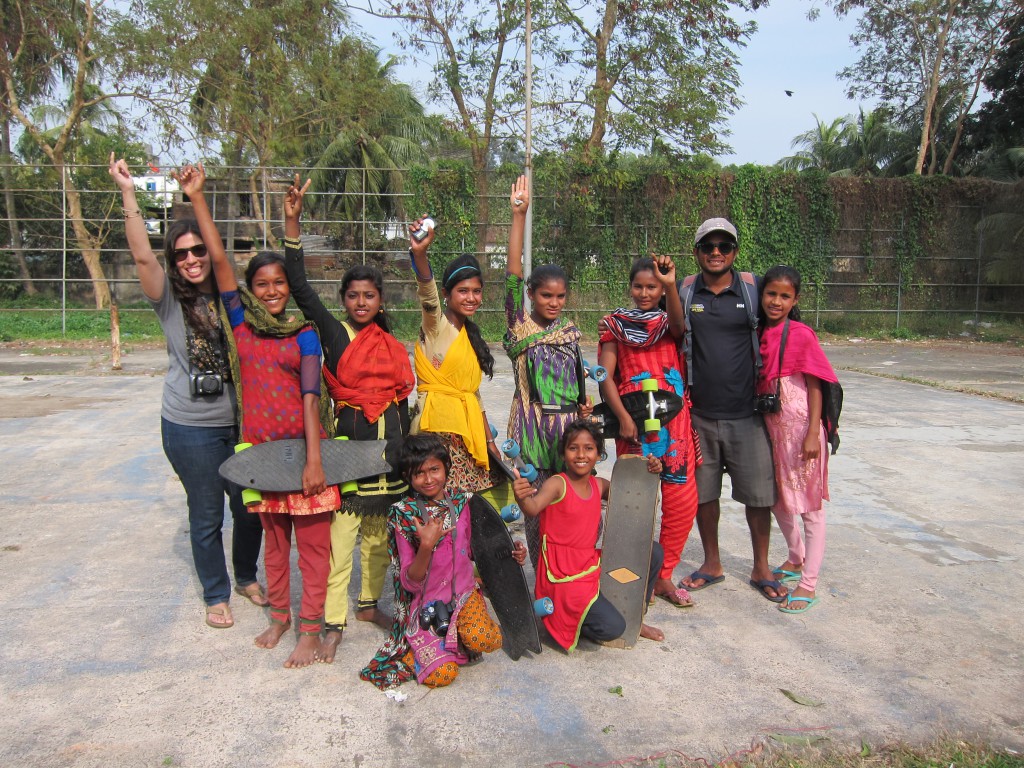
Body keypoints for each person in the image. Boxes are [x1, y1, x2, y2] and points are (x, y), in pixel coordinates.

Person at [177, 163, 339, 668]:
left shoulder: (304, 333)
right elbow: (220, 260)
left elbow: (311, 399)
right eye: (262, 284)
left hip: (303, 454)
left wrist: (315, 461)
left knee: (312, 550)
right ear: (251, 290)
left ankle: (310, 630)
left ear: (289, 287)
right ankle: (279, 617)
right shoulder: (242, 327)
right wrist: (197, 198)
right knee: (273, 545)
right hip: (260, 456)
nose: (272, 291)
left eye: (279, 283)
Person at [108, 154, 266, 631]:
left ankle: (244, 576)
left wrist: (197, 198)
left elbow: (221, 258)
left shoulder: (226, 293)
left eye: (198, 250)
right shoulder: (168, 298)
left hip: (238, 422)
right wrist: (128, 192)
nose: (193, 259)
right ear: (172, 261)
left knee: (249, 510)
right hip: (189, 426)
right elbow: (140, 255)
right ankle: (216, 594)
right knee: (206, 514)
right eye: (181, 254)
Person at [280, 176, 414, 662]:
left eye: (369, 296)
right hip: (348, 464)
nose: (361, 302)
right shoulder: (337, 337)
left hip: (390, 461)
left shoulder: (394, 347)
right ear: (344, 300)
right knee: (342, 548)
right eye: (353, 295)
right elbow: (298, 286)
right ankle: (332, 624)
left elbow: (403, 403)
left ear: (380, 301)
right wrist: (292, 222)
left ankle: (366, 606)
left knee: (378, 544)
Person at [676, 218, 785, 603]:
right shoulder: (685, 292)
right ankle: (712, 563)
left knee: (759, 497)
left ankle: (761, 567)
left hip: (748, 416)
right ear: (698, 252)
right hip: (699, 416)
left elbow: (786, 336)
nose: (716, 253)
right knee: (704, 496)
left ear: (735, 252)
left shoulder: (754, 291)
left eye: (724, 247)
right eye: (709, 247)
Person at [360, 434, 524, 689]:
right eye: (418, 473)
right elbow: (409, 583)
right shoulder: (403, 515)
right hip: (427, 605)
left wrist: (513, 554)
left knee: (486, 640)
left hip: (464, 595)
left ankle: (455, 636)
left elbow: (475, 551)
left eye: (434, 469)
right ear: (407, 477)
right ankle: (423, 648)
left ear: (447, 467)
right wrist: (426, 546)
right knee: (442, 676)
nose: (428, 479)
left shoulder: (462, 503)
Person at [598, 255, 699, 608]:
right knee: (633, 501)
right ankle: (629, 574)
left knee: (681, 500)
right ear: (629, 287)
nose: (644, 293)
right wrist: (623, 418)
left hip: (675, 424)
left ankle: (664, 574)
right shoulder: (614, 326)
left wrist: (671, 285)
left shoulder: (670, 324)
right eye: (639, 286)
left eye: (652, 286)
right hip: (634, 423)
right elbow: (605, 377)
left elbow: (679, 328)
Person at [503, 175, 592, 570]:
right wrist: (518, 216)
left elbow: (578, 382)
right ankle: (542, 584)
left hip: (570, 431)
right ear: (531, 295)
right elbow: (512, 273)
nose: (553, 303)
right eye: (545, 295)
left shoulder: (571, 331)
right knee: (536, 511)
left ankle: (568, 577)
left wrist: (585, 408)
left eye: (560, 296)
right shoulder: (519, 327)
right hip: (531, 430)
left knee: (570, 508)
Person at [511, 420, 664, 650]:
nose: (581, 454)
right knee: (613, 627)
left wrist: (649, 469)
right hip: (562, 574)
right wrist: (521, 496)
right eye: (573, 448)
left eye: (589, 448)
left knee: (654, 553)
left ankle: (635, 618)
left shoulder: (599, 485)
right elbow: (533, 508)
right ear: (563, 454)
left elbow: (636, 495)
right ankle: (567, 621)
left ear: (599, 454)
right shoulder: (557, 484)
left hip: (589, 562)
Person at [757, 265, 838, 614]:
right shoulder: (759, 334)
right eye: (771, 294)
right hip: (772, 432)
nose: (776, 301)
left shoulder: (801, 335)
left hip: (802, 432)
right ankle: (795, 558)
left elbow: (816, 384)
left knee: (810, 508)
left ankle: (809, 583)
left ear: (795, 299)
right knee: (779, 500)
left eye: (784, 296)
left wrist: (812, 433)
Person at [406, 220, 505, 497]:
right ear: (447, 295)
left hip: (466, 436)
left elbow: (474, 396)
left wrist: (489, 441)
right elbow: (426, 289)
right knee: (436, 507)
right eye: (463, 291)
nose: (471, 297)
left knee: (464, 512)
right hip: (435, 435)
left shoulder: (472, 337)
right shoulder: (436, 325)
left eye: (476, 291)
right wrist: (420, 254)